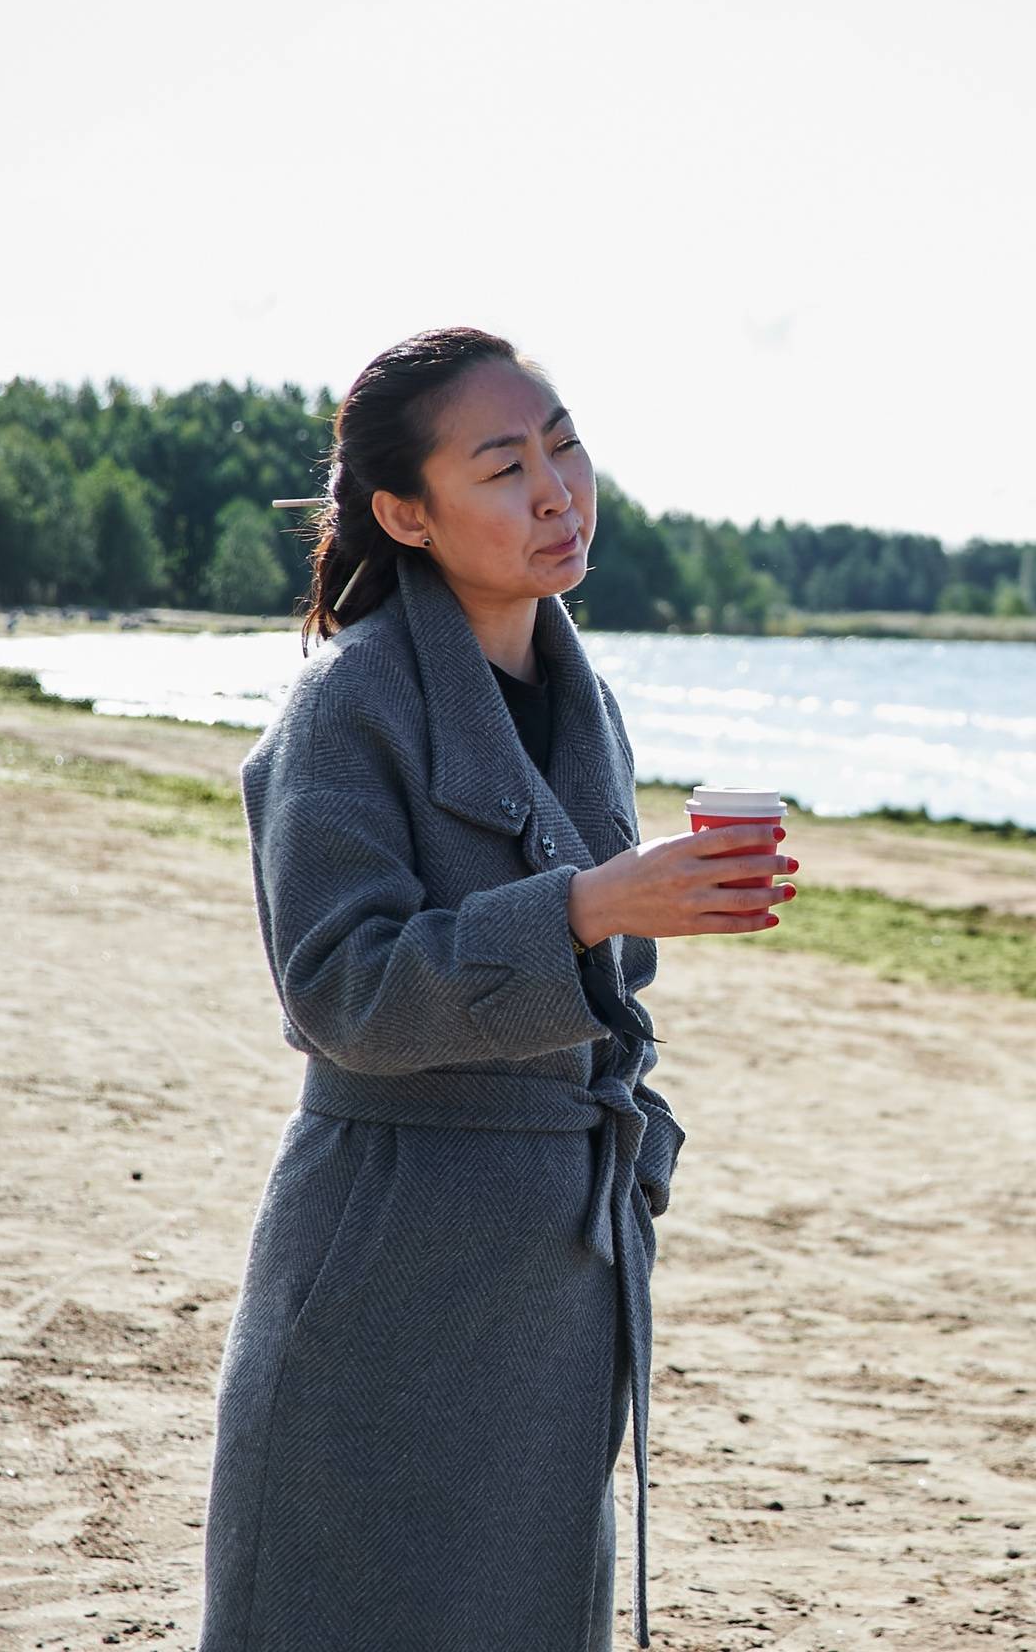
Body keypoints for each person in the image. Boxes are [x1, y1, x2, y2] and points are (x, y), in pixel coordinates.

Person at [197, 327, 797, 1652]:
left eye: (565, 446)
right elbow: (335, 990)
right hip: (390, 1251)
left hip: (558, 1260)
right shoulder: (345, 705)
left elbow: (598, 982)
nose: (556, 489)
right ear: (406, 513)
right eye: (504, 465)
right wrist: (589, 906)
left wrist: (642, 916)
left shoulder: (583, 697)